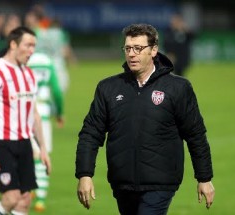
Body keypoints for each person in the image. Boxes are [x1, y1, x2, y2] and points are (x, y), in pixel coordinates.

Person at [75, 23, 215, 215]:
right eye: (128, 48)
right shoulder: (108, 88)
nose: (132, 54)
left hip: (161, 183)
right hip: (122, 183)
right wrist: (84, 174)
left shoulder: (178, 88)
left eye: (139, 48)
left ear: (154, 50)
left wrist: (204, 178)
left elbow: (195, 135)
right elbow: (90, 133)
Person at [0, 26, 51, 215]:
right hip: (2, 144)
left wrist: (42, 148)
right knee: (11, 198)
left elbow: (33, 114)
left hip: (24, 143)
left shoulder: (28, 74)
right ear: (13, 44)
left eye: (34, 46)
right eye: (28, 45)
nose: (31, 51)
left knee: (24, 201)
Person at [27, 52, 64, 212]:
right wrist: (60, 113)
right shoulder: (48, 62)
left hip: (25, 111)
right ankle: (40, 199)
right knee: (43, 154)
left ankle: (28, 189)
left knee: (27, 153)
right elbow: (56, 90)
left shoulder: (26, 61)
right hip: (43, 110)